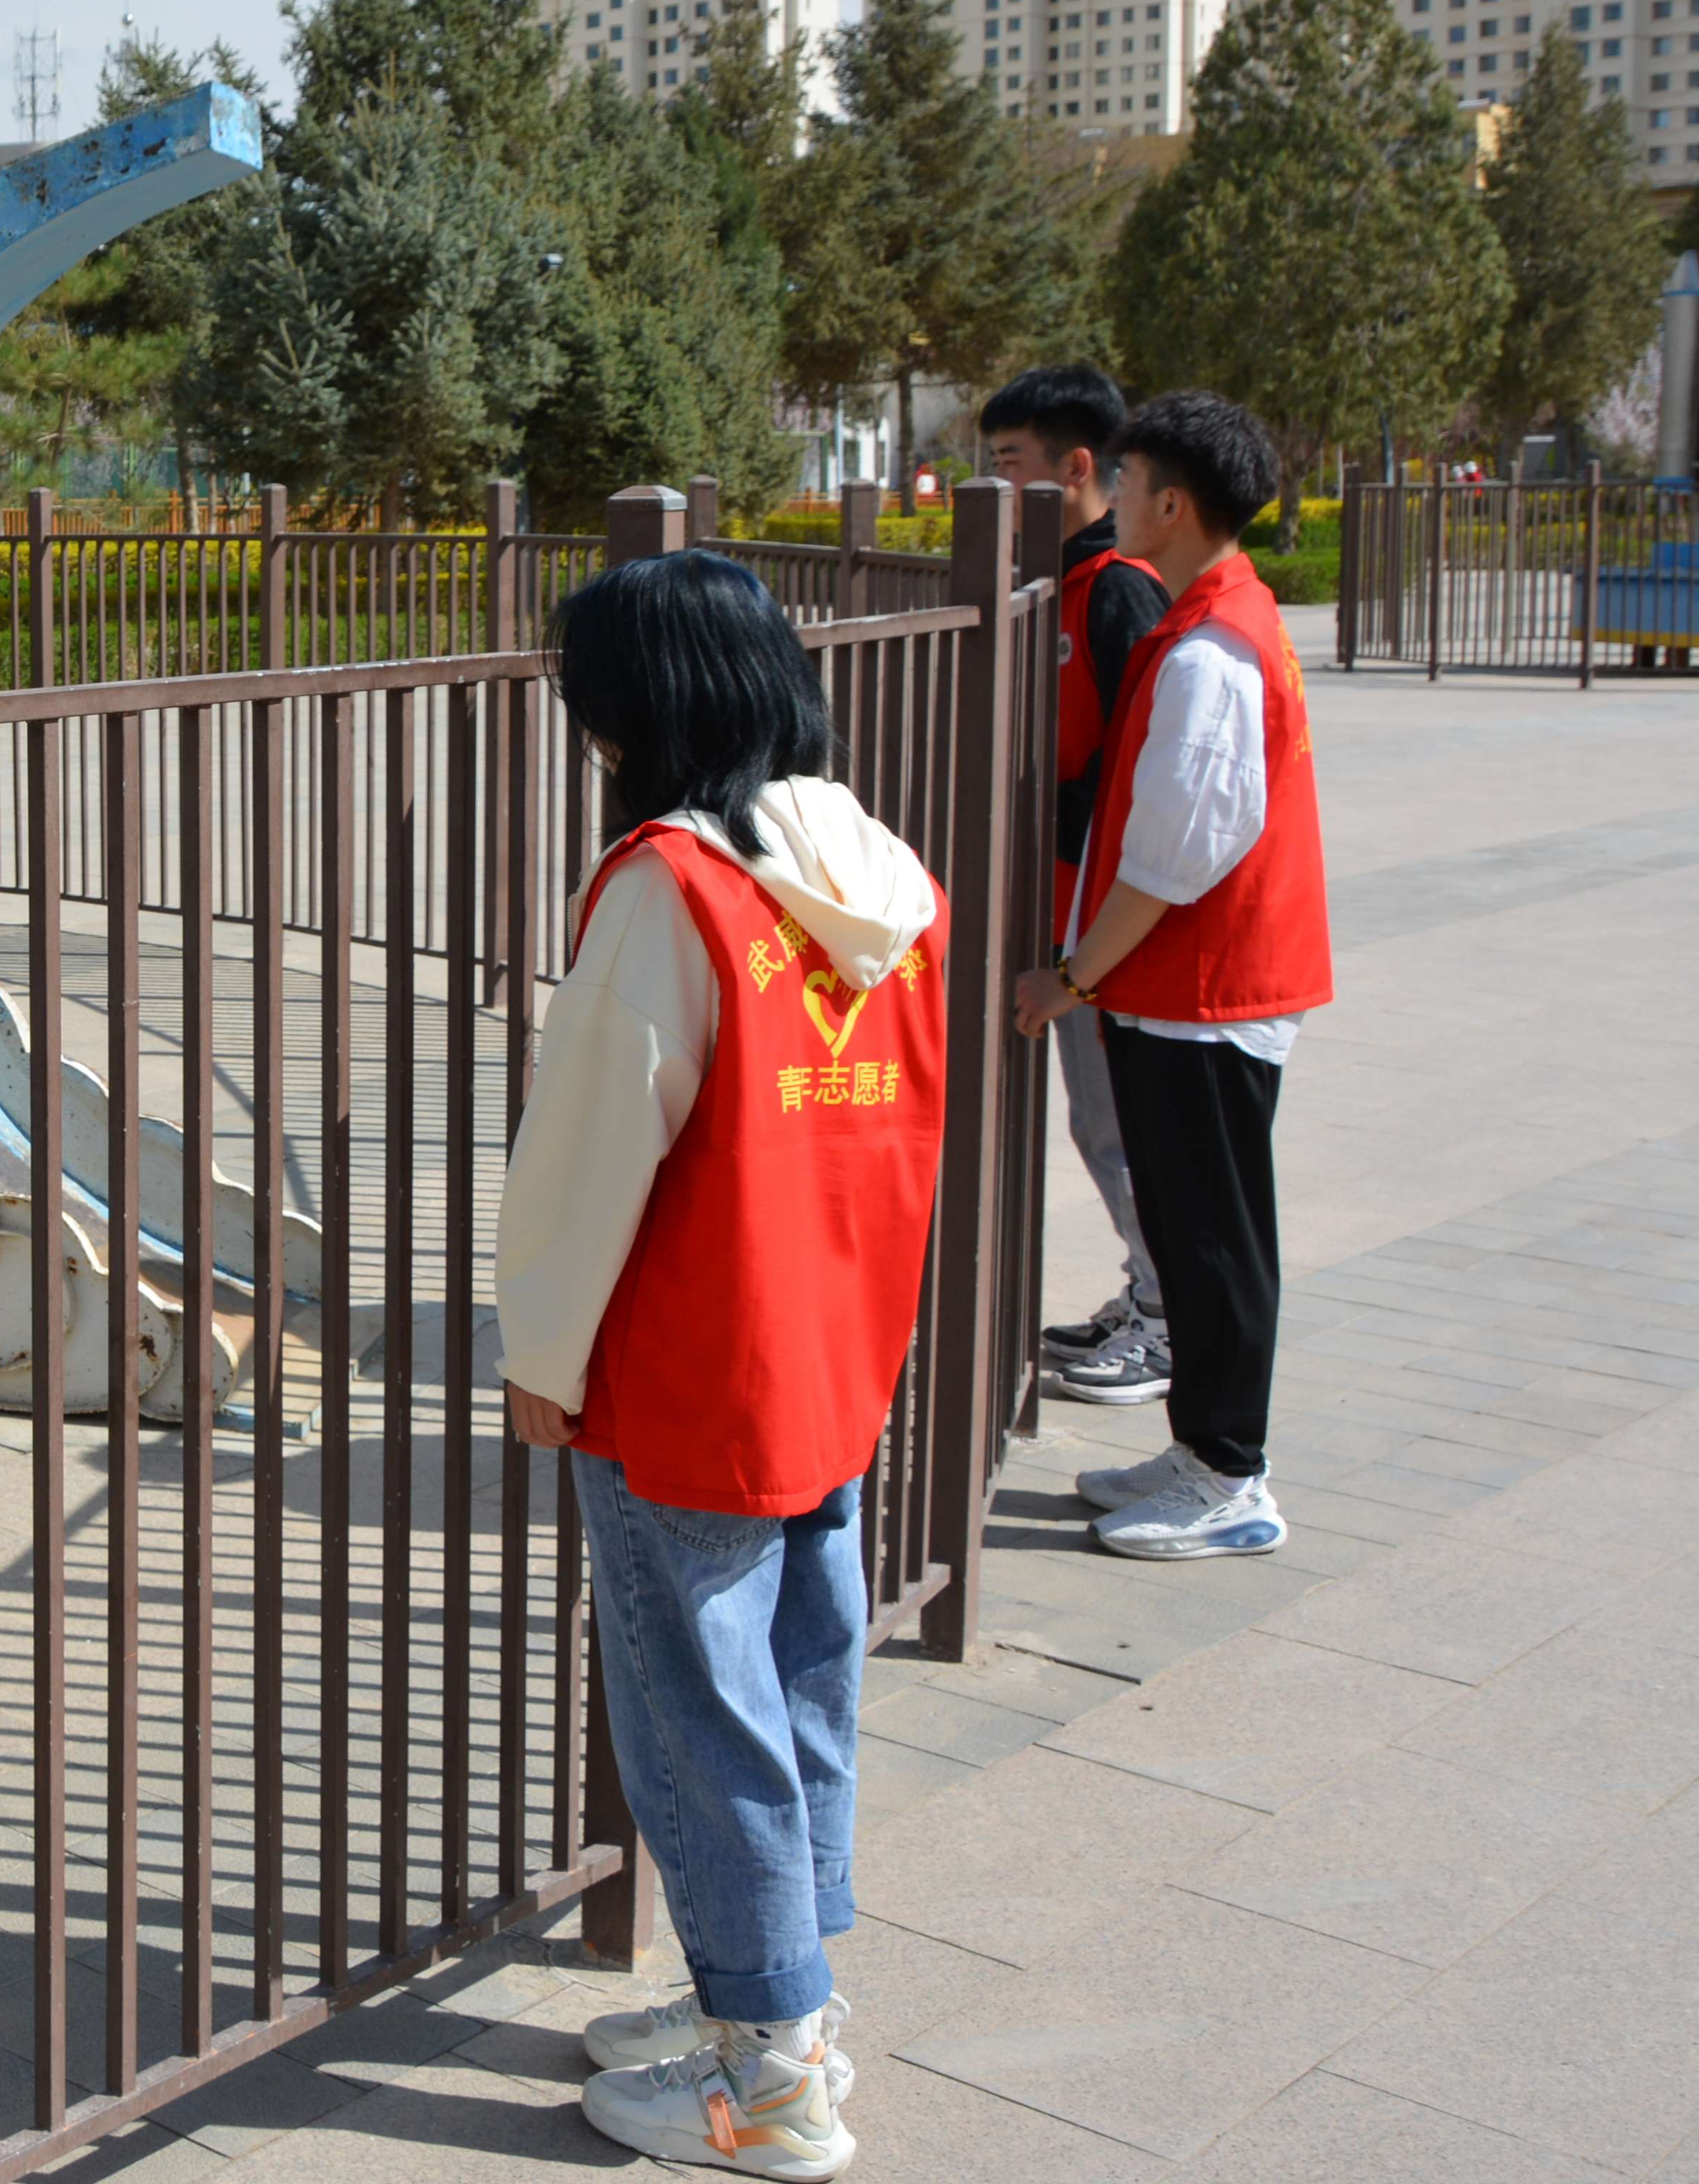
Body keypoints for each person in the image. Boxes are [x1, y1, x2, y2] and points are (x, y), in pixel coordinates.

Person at [499, 550, 950, 2181]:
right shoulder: (881, 873)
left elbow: (588, 1149)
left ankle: (768, 2080)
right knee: (806, 1678)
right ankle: (785, 2002)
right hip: (833, 1342)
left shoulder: (668, 888)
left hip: (691, 1364)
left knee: (700, 1710)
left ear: (636, 713)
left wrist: (541, 1346)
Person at [1010, 392, 1329, 1560]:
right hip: (1191, 990)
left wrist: (1071, 978)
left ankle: (1232, 1477)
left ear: (1173, 504)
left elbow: (1171, 857)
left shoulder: (1210, 651)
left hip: (1208, 994)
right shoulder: (1218, 617)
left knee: (1213, 1244)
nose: (1117, 498)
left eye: (1132, 480)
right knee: (1197, 1236)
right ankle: (1201, 1452)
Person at [975, 365, 1173, 1406]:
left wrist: (1028, 813)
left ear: (1077, 466)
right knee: (1100, 1123)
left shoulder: (1118, 591)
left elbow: (1137, 771)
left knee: (1117, 1127)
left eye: (1010, 463)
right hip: (1066, 908)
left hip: (1103, 925)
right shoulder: (1051, 580)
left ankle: (1166, 1321)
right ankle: (1149, 1292)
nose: (995, 485)